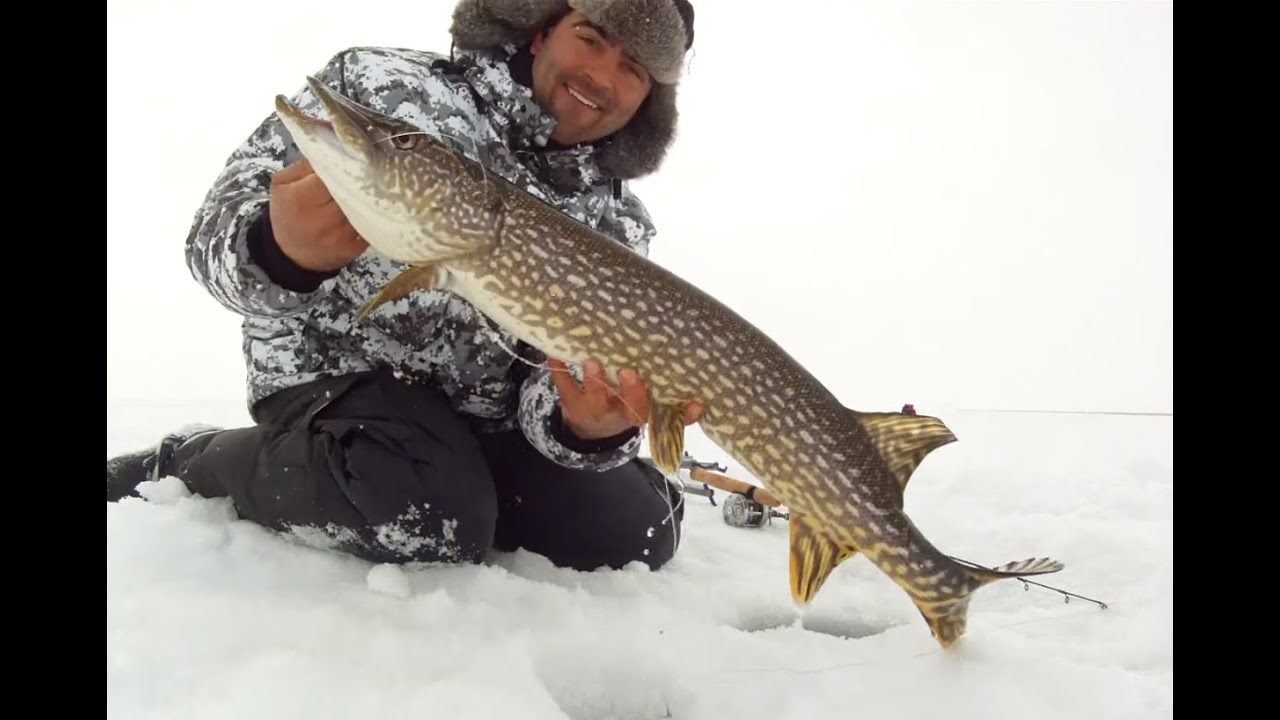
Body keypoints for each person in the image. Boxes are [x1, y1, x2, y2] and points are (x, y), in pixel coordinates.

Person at [106, 0, 699, 573]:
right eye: (590, 40)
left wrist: (587, 429)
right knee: (426, 509)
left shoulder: (617, 223)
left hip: (484, 425)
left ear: (648, 97)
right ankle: (187, 464)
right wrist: (280, 251)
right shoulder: (382, 87)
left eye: (633, 69)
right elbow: (211, 235)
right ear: (543, 32)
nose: (601, 76)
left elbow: (551, 379)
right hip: (336, 380)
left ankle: (455, 492)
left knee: (634, 532)